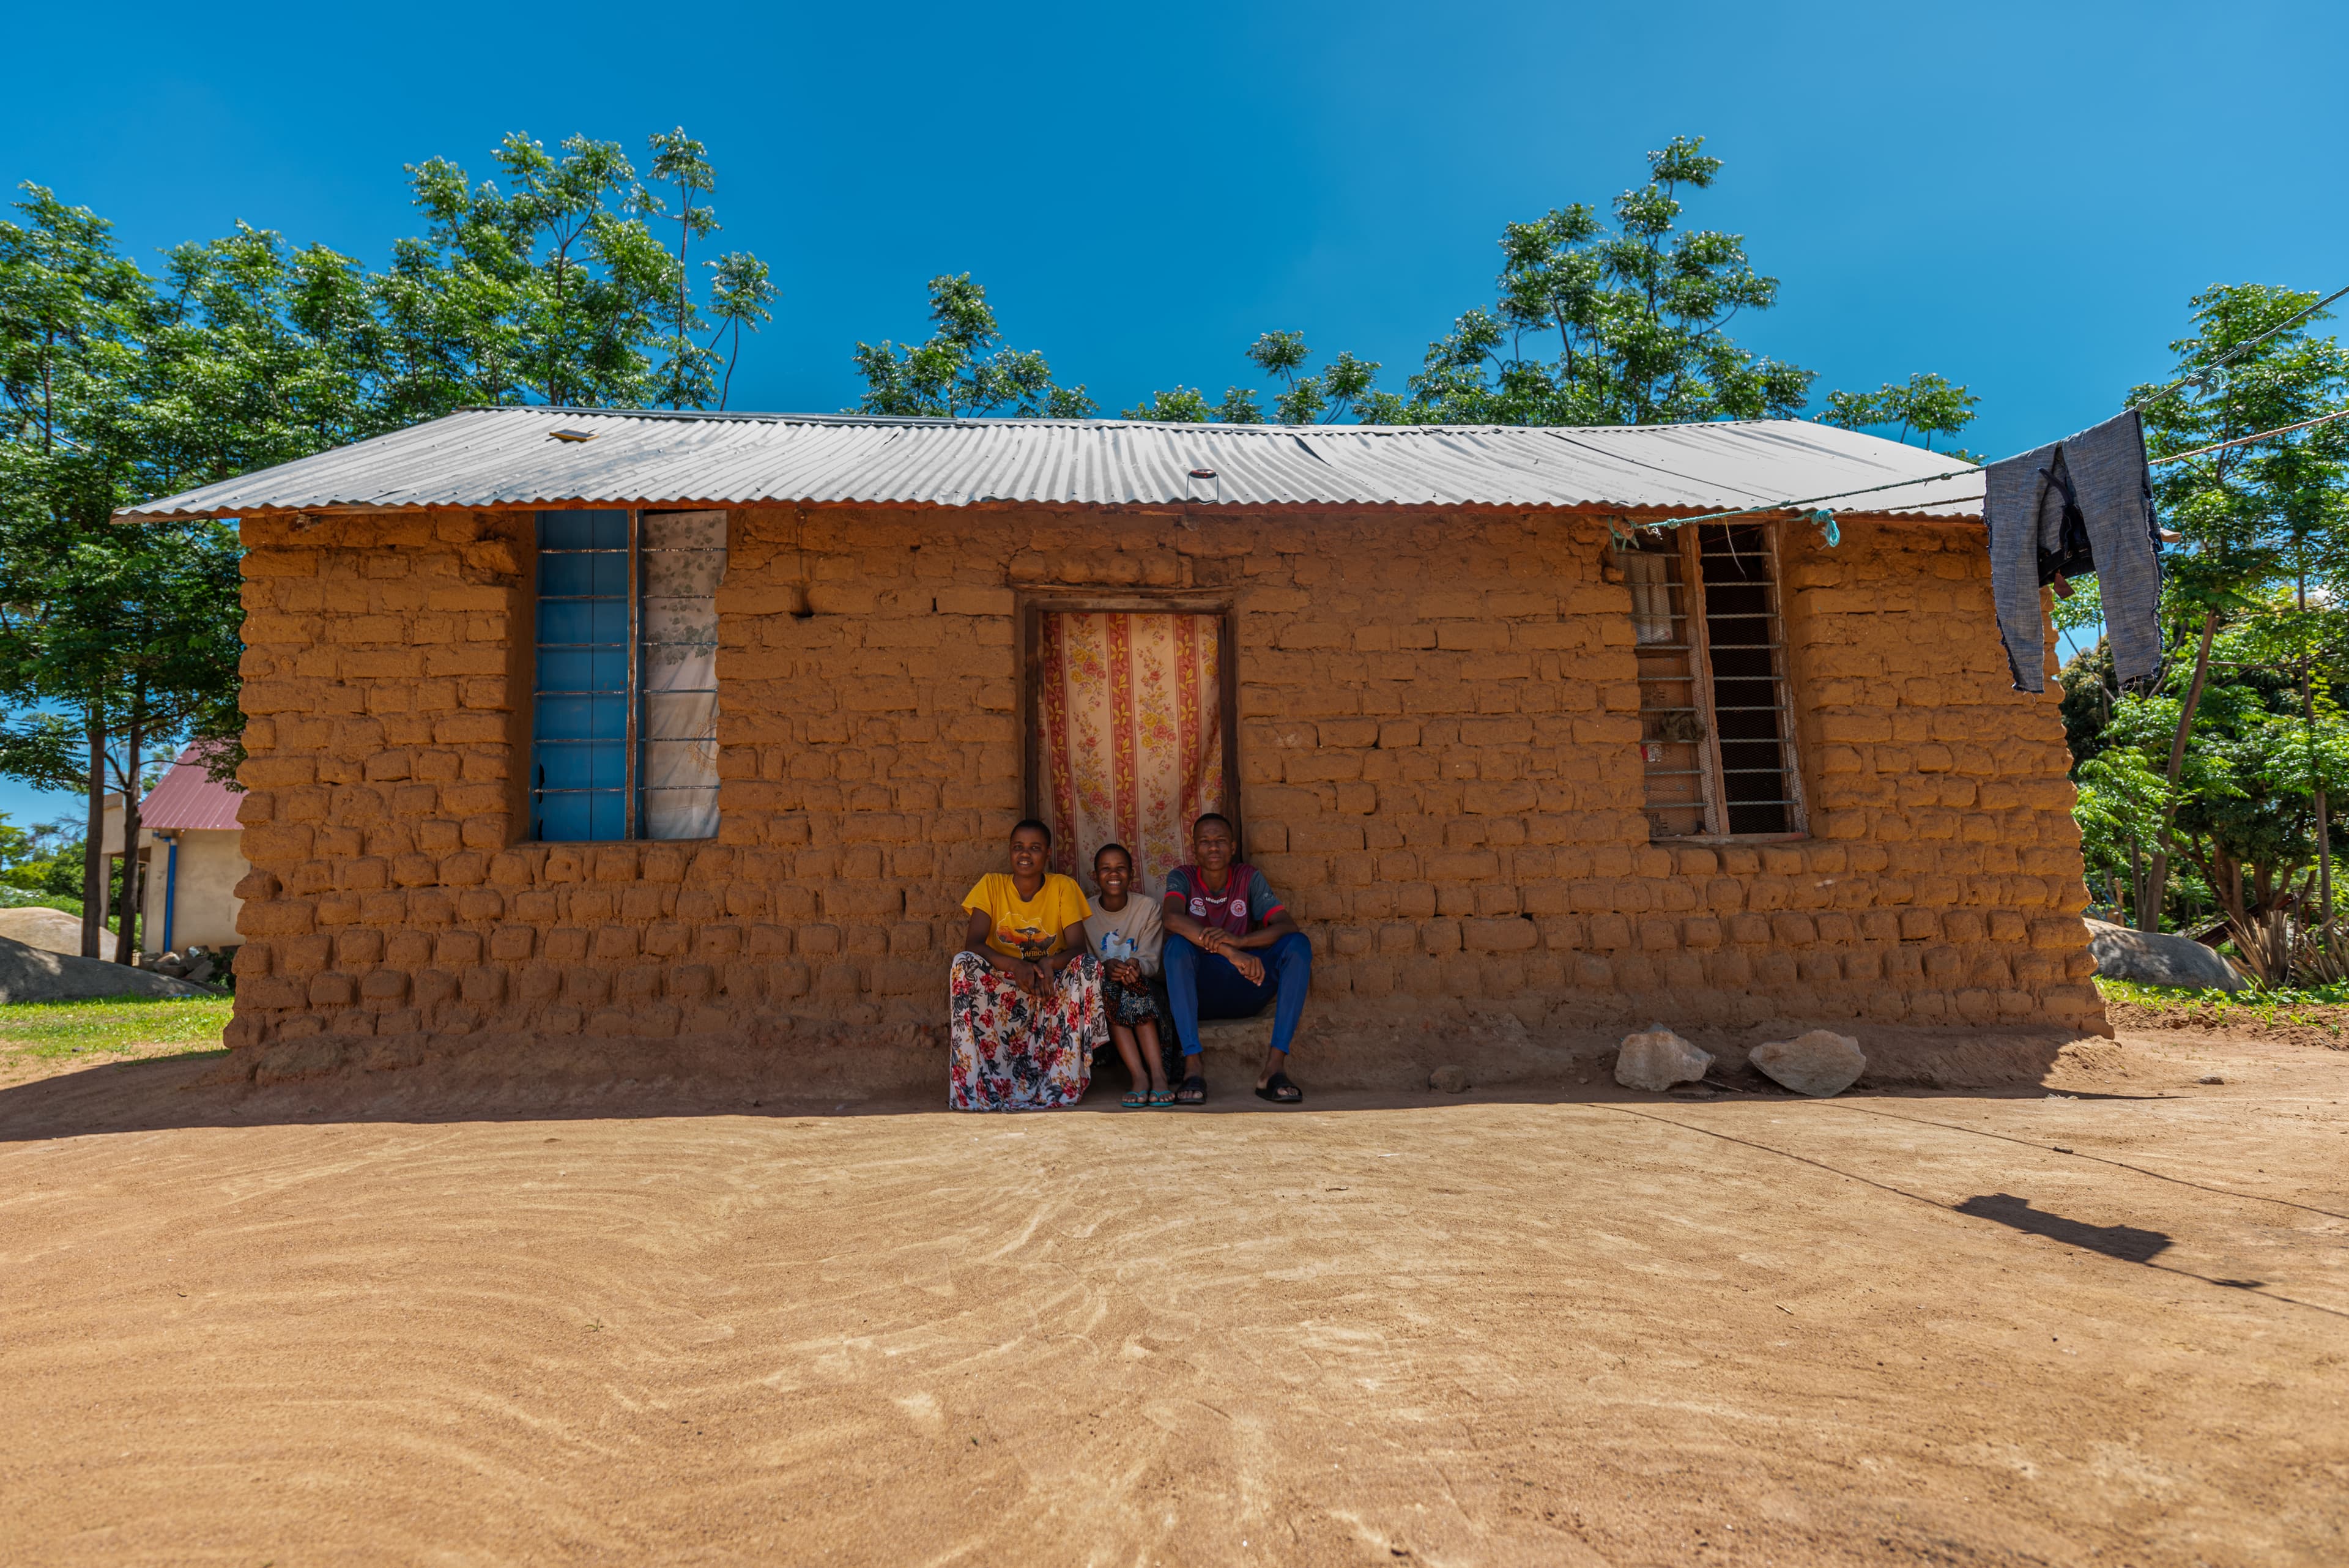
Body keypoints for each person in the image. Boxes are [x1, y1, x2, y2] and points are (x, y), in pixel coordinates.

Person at [949, 819, 1105, 1110]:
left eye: (1035, 848)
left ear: (1047, 853)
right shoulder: (991, 885)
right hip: (1002, 983)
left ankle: (1062, 1081)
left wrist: (1049, 963)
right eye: (1018, 847)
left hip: (1050, 981)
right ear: (1010, 852)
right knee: (963, 963)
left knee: (1088, 967)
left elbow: (1076, 947)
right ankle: (974, 1088)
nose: (1025, 854)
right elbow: (974, 944)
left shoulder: (1063, 888)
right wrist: (1014, 965)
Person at [1160, 812, 1312, 1105]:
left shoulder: (1248, 878)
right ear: (1194, 849)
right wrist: (1230, 951)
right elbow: (1172, 919)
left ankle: (1274, 1068)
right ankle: (1193, 1066)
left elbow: (1286, 925)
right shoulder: (1183, 877)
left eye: (1220, 841)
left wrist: (1242, 942)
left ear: (1232, 846)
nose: (1213, 847)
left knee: (1298, 945)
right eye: (1205, 842)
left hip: (1248, 982)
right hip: (1201, 990)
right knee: (1176, 947)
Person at [1082, 842, 1174, 1109]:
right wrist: (1105, 968)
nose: (1114, 874)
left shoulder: (1148, 908)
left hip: (1148, 994)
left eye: (1121, 868)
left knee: (1133, 987)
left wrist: (1136, 965)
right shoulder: (1084, 913)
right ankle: (1140, 1077)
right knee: (1112, 989)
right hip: (1106, 999)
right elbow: (1084, 961)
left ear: (1132, 874)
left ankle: (1158, 1075)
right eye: (1106, 869)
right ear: (1096, 875)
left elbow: (1152, 961)